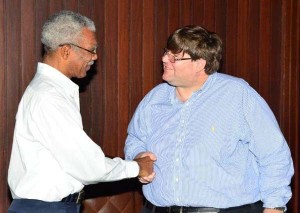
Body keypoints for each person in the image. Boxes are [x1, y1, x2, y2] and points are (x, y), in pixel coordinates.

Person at [124, 25, 294, 213]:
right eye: (166, 53)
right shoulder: (154, 99)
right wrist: (138, 157)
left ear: (200, 63)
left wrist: (275, 206)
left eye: (175, 57)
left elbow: (274, 154)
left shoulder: (237, 95)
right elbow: (135, 139)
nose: (164, 59)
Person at [7, 10, 154, 213]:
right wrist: (137, 167)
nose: (95, 57)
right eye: (91, 50)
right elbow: (88, 166)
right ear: (66, 51)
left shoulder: (47, 90)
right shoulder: (49, 97)